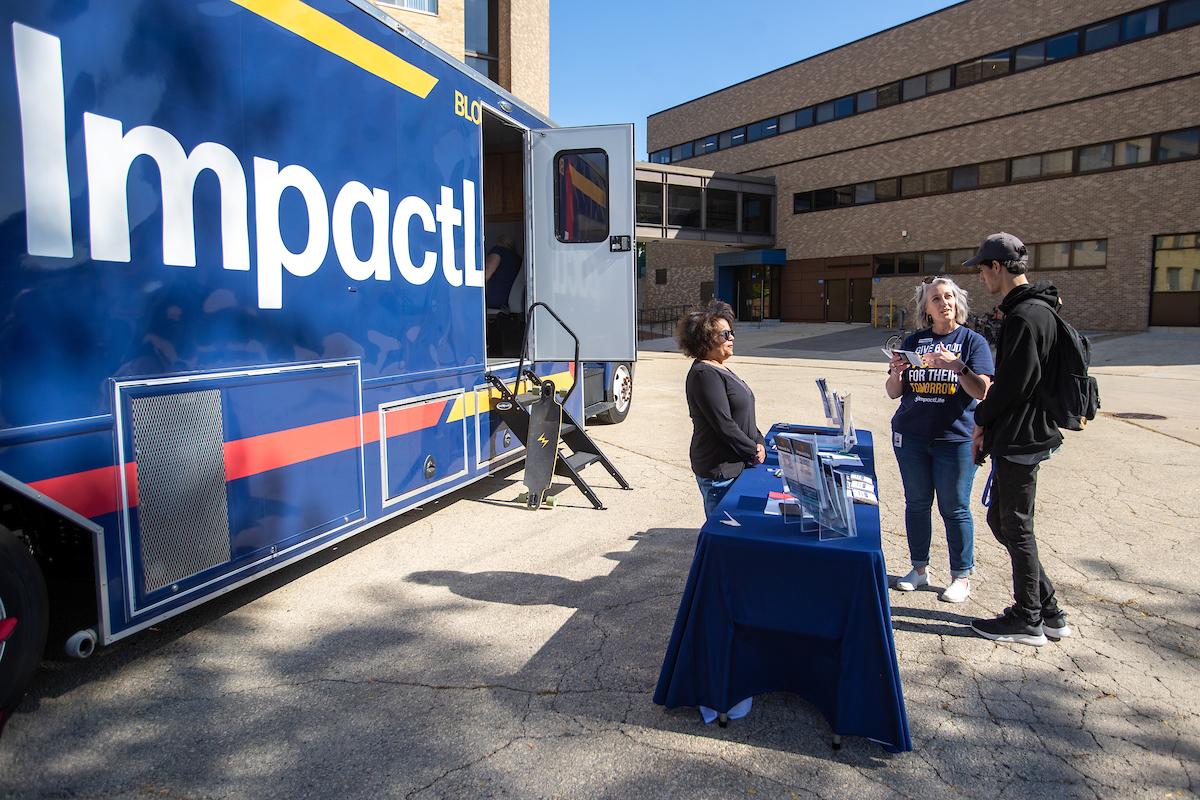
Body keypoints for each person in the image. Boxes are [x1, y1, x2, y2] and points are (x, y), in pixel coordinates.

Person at [965, 232, 1072, 647]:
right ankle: (1049, 610)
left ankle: (1028, 617)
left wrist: (981, 420)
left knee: (1016, 526)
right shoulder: (1035, 310)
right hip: (1024, 434)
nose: (980, 278)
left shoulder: (1026, 316)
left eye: (981, 269)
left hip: (1021, 437)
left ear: (997, 267)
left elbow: (1013, 386)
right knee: (1004, 520)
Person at [886, 277, 994, 603]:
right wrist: (896, 373)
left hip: (955, 439)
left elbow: (983, 390)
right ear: (926, 308)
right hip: (912, 436)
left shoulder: (973, 342)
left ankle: (961, 576)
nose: (943, 302)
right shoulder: (915, 341)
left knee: (955, 508)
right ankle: (919, 569)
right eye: (936, 298)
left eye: (949, 297)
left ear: (957, 302)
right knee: (917, 504)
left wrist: (958, 366)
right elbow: (894, 393)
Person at [677, 301, 766, 517]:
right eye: (725, 334)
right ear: (706, 340)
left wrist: (760, 441)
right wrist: (752, 449)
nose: (732, 338)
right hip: (720, 470)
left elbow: (744, 415)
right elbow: (724, 424)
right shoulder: (704, 375)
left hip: (738, 462)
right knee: (723, 530)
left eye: (731, 332)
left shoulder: (720, 368)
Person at [484, 234, 521, 310]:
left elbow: (486, 274)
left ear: (499, 242)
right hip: (508, 300)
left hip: (494, 298)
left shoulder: (498, 251)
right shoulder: (518, 258)